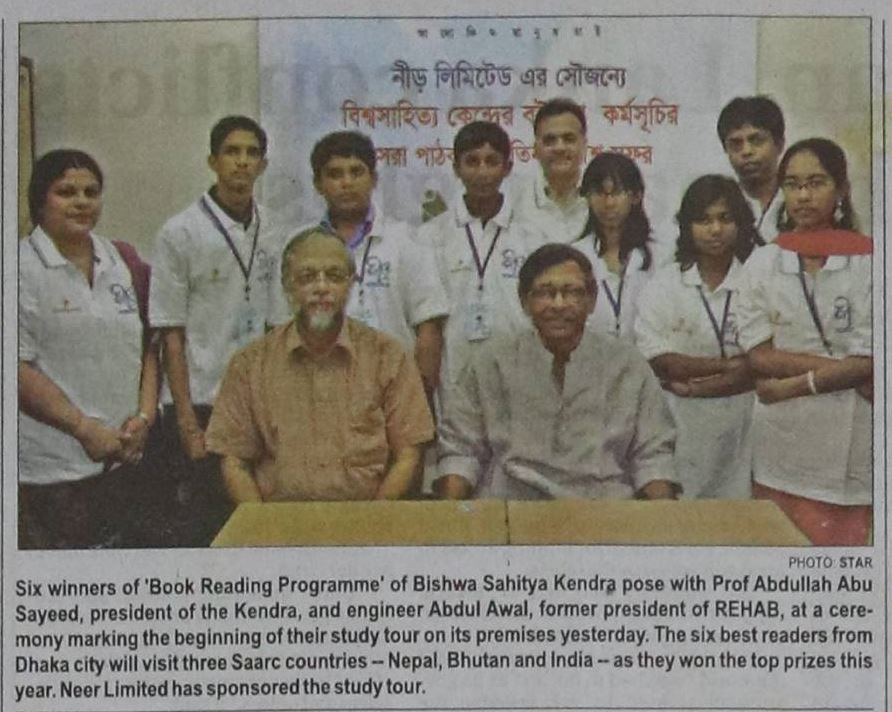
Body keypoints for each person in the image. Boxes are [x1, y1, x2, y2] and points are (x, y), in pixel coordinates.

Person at [205, 228, 435, 502]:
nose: (321, 288)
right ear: (287, 286)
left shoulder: (388, 357)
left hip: (368, 519)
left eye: (334, 276)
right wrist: (262, 524)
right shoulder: (250, 364)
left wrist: (373, 519)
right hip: (280, 521)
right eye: (307, 277)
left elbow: (409, 453)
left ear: (351, 284)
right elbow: (234, 461)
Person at [435, 243, 678, 501]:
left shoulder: (627, 364)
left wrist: (663, 518)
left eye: (571, 292)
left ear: (592, 300)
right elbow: (462, 451)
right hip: (513, 505)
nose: (558, 304)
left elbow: (652, 457)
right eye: (545, 293)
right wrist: (451, 518)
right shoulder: (491, 361)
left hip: (603, 506)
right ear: (524, 301)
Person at [149, 115, 288, 545]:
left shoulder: (274, 229)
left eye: (252, 153)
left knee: (253, 525)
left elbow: (276, 325)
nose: (242, 162)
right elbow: (170, 334)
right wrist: (187, 422)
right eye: (232, 152)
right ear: (213, 161)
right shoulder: (180, 232)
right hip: (201, 402)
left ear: (263, 165)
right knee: (204, 529)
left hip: (256, 402)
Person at [19, 149, 159, 549]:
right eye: (66, 192)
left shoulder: (122, 259)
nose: (82, 202)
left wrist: (145, 419)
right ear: (40, 201)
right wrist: (83, 429)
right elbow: (15, 367)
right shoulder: (18, 268)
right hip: (52, 474)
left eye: (91, 192)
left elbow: (148, 348)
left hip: (124, 461)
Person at [736, 138, 872, 545]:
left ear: (841, 188)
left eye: (816, 183)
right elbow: (759, 357)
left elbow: (872, 357)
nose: (803, 196)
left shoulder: (871, 262)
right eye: (793, 185)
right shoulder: (763, 262)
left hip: (850, 450)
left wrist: (791, 385)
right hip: (782, 450)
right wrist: (851, 372)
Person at [635, 176, 761, 498]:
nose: (715, 229)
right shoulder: (664, 284)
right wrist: (729, 367)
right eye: (704, 220)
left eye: (725, 218)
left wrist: (697, 385)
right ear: (687, 226)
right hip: (679, 425)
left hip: (744, 428)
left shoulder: (757, 281)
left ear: (740, 223)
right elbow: (661, 362)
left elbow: (760, 365)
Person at [306, 131, 448, 397]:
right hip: (318, 393)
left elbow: (428, 327)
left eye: (356, 172)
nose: (346, 183)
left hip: (393, 394)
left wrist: (417, 399)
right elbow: (282, 328)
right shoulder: (303, 246)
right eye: (335, 174)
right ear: (318, 184)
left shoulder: (407, 241)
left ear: (373, 179)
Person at [418, 121, 544, 404]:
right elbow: (429, 322)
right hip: (454, 381)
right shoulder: (432, 235)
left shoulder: (532, 235)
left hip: (521, 379)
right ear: (456, 168)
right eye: (472, 162)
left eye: (492, 161)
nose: (482, 172)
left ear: (507, 167)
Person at [572, 152, 656, 340]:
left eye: (617, 193)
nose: (608, 203)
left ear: (636, 196)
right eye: (599, 193)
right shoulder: (575, 255)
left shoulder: (660, 254)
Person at [512, 98, 590, 244]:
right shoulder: (515, 202)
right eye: (550, 140)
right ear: (535, 149)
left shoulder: (600, 199)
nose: (559, 148)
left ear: (584, 145)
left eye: (569, 139)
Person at [717, 96, 786, 242]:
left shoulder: (800, 201)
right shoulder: (719, 205)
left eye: (756, 141)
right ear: (725, 149)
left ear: (779, 144)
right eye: (736, 144)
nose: (746, 151)